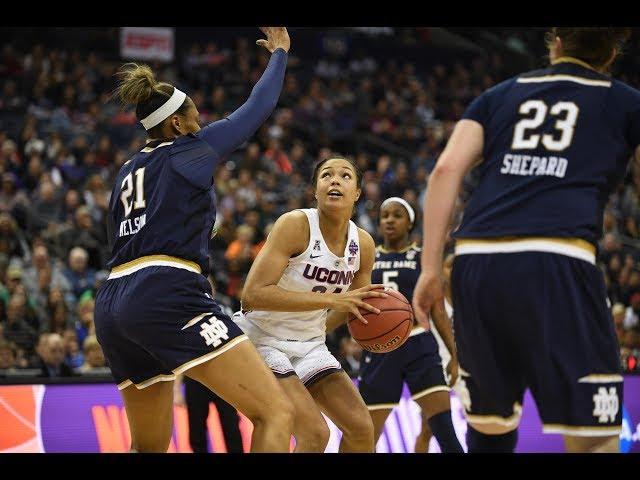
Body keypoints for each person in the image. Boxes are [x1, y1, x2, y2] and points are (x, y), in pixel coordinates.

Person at [413, 28, 637, 453]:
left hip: (476, 260)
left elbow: (444, 171)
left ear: (554, 42)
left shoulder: (497, 96)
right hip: (557, 257)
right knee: (596, 438)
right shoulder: (625, 100)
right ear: (611, 53)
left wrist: (429, 269)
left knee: (491, 428)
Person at [94, 27, 295, 453]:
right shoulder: (189, 149)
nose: (201, 122)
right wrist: (280, 54)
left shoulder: (127, 170)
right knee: (276, 414)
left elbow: (123, 236)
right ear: (176, 122)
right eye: (196, 116)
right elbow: (259, 106)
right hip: (165, 292)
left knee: (147, 446)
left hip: (112, 302)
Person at [236, 156, 387, 452]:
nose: (334, 180)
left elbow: (352, 305)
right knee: (315, 433)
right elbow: (252, 295)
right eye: (326, 175)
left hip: (309, 345)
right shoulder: (296, 225)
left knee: (360, 427)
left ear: (357, 193)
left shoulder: (364, 244)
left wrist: (380, 326)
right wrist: (331, 299)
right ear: (315, 190)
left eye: (345, 176)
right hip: (262, 339)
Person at [352, 197, 462, 453]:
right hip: (379, 349)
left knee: (445, 432)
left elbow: (437, 310)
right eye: (385, 215)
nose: (390, 220)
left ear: (410, 222)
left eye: (397, 215)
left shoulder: (423, 258)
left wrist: (454, 355)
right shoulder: (368, 258)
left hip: (418, 344)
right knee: (365, 439)